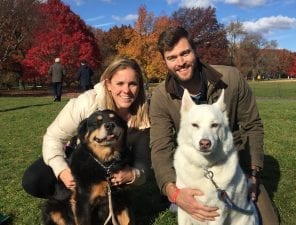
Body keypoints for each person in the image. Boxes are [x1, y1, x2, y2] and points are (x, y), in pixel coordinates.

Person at [149, 26, 280, 225]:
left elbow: (252, 126)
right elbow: (160, 147)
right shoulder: (161, 97)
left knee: (269, 222)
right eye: (172, 57)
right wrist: (173, 192)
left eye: (185, 53)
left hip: (234, 161)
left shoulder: (231, 79)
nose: (181, 62)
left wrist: (254, 173)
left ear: (195, 51)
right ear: (165, 61)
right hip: (195, 167)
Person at [22, 57, 150, 199]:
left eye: (132, 84)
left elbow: (142, 161)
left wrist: (133, 174)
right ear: (108, 84)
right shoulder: (87, 102)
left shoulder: (143, 115)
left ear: (139, 85)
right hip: (81, 157)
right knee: (33, 179)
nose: (126, 90)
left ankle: (109, 199)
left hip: (116, 161)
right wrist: (62, 170)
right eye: (119, 83)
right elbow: (53, 137)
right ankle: (68, 200)